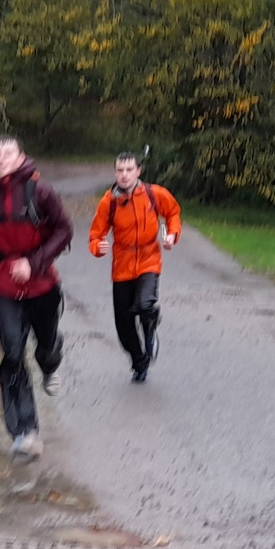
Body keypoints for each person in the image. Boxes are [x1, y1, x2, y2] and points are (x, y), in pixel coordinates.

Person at [0, 135, 73, 462]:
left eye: (7, 153)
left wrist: (33, 263)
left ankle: (50, 362)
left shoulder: (41, 192)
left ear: (21, 157)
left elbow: (65, 231)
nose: (0, 158)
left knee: (46, 348)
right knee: (12, 354)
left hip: (42, 284)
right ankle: (25, 433)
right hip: (6, 287)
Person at [88, 151, 181, 383]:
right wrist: (98, 247)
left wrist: (171, 234)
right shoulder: (109, 202)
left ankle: (150, 329)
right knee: (124, 326)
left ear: (138, 171)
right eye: (120, 170)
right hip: (122, 265)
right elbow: (95, 235)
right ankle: (139, 363)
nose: (124, 175)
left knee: (145, 304)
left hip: (149, 259)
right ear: (115, 173)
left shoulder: (153, 194)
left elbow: (173, 213)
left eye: (129, 170)